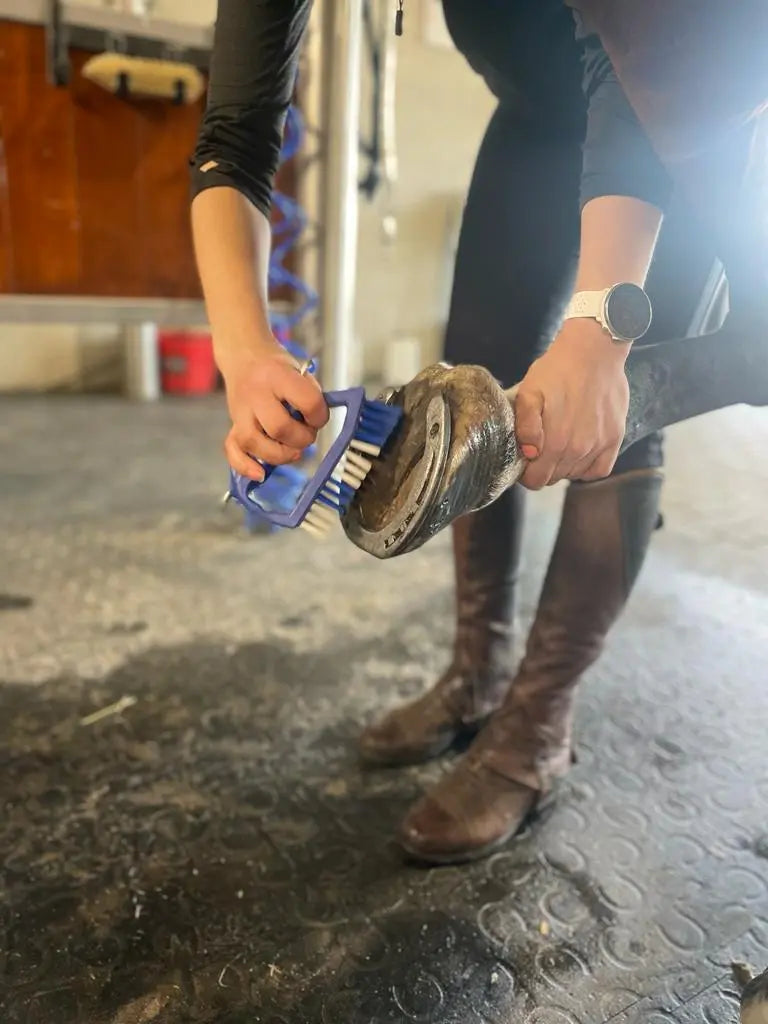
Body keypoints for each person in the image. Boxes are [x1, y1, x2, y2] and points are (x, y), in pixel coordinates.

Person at [189, 1, 732, 864]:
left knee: (617, 413)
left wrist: (598, 327)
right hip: (540, 122)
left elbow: (638, 54)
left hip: (671, 110)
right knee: (469, 370)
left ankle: (537, 727)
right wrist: (245, 350)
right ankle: (479, 672)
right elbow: (234, 131)